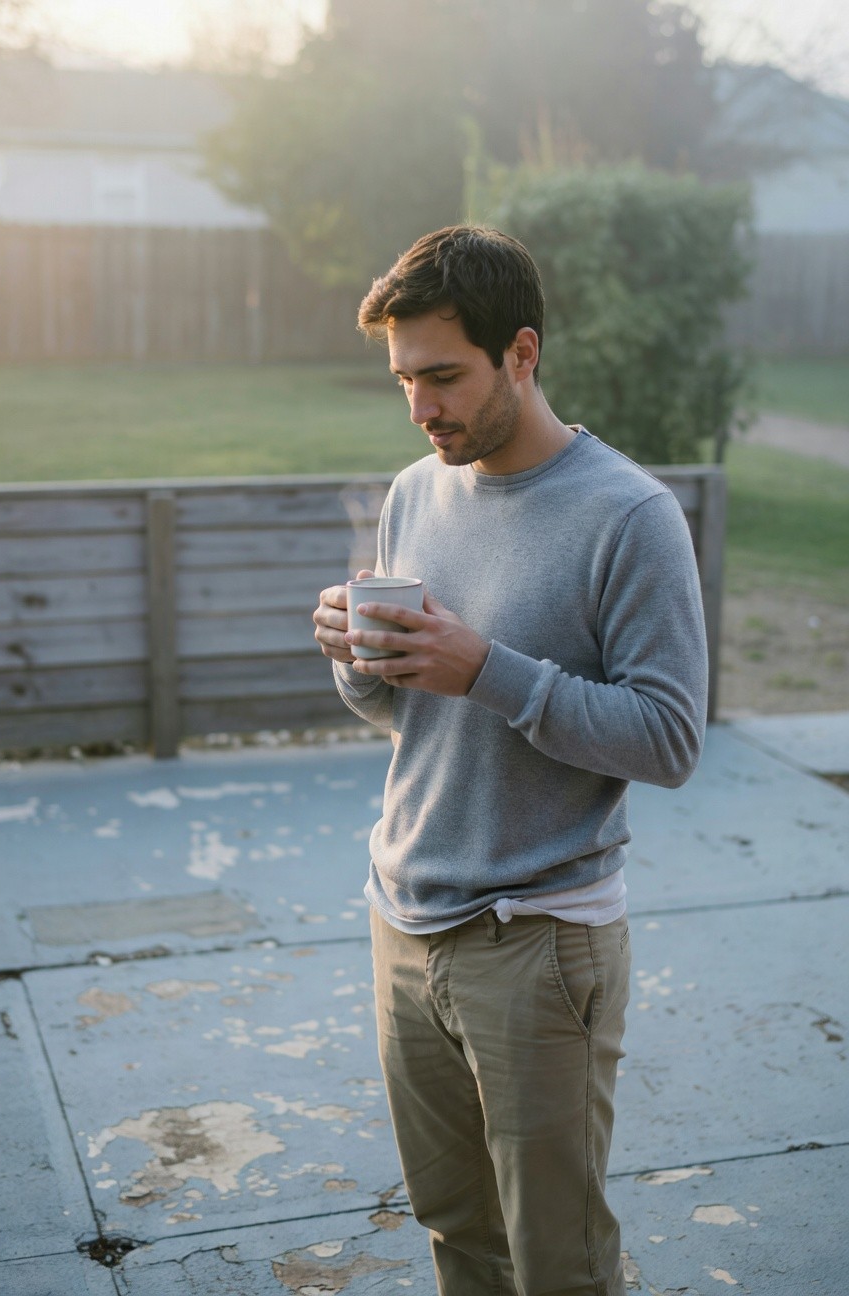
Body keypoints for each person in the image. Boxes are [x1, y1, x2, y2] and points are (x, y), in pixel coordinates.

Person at [312, 225, 708, 1296]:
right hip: (404, 920)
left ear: (521, 355)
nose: (422, 408)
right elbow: (407, 715)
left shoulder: (629, 516)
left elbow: (671, 741)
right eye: (404, 381)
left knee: (558, 1261)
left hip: (540, 944)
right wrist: (357, 657)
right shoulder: (413, 492)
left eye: (443, 376)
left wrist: (489, 667)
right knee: (457, 1234)